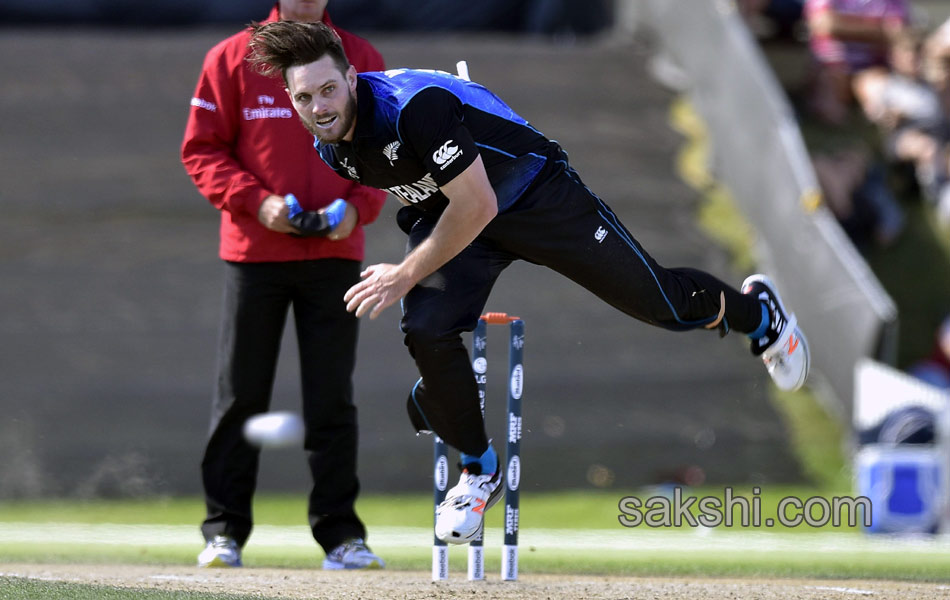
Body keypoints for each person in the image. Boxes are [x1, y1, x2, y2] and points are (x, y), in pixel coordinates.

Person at [246, 20, 811, 546]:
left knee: (659, 303)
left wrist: (405, 272)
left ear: (350, 77)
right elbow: (438, 206)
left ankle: (757, 314)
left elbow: (476, 202)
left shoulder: (414, 108)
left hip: (532, 194)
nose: (318, 107)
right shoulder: (331, 148)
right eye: (303, 98)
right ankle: (478, 470)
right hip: (463, 221)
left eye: (327, 90)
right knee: (426, 329)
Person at [180, 2, 386, 570]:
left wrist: (356, 208)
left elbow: (387, 147)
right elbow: (201, 149)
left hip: (336, 253)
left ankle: (342, 536)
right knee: (240, 395)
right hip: (255, 253)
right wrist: (257, 202)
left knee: (332, 399)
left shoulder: (362, 58)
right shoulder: (229, 57)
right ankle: (223, 531)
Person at [803, 0, 910, 125]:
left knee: (881, 98)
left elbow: (897, 33)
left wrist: (843, 25)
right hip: (831, 68)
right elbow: (825, 24)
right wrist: (878, 29)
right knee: (831, 111)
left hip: (872, 69)